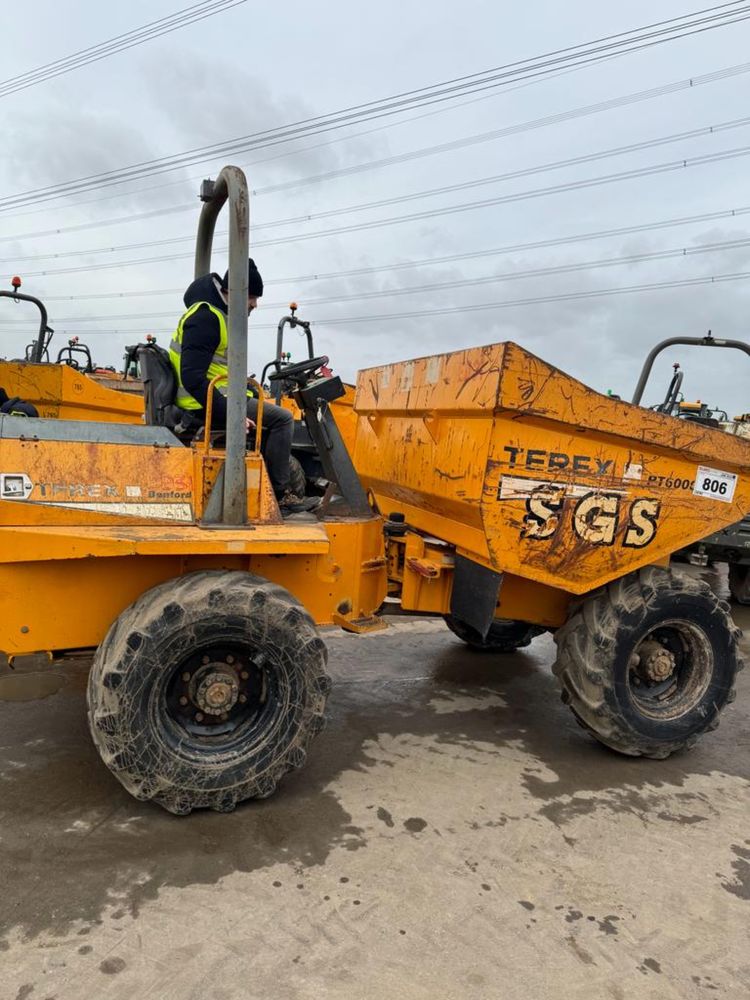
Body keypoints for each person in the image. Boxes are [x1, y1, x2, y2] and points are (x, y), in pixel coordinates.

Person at [169, 259, 318, 515]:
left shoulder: (217, 315)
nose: (254, 304)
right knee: (283, 419)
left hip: (217, 394)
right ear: (236, 292)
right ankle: (283, 496)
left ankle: (264, 490)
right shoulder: (207, 318)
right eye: (252, 297)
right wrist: (232, 413)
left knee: (267, 415)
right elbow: (193, 377)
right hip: (201, 400)